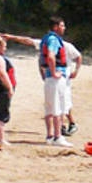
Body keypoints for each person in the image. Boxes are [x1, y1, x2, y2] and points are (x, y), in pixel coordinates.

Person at [0, 32, 83, 136]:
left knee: (64, 101)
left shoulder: (66, 46)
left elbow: (78, 57)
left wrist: (76, 71)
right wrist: (11, 37)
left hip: (63, 76)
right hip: (53, 76)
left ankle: (70, 124)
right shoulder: (46, 43)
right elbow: (27, 40)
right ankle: (62, 127)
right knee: (57, 102)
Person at [39, 16, 72, 147]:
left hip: (49, 78)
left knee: (49, 107)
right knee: (58, 107)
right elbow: (51, 56)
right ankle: (58, 137)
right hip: (55, 78)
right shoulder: (53, 40)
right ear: (55, 27)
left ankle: (50, 136)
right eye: (62, 26)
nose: (64, 28)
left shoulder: (46, 38)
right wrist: (54, 72)